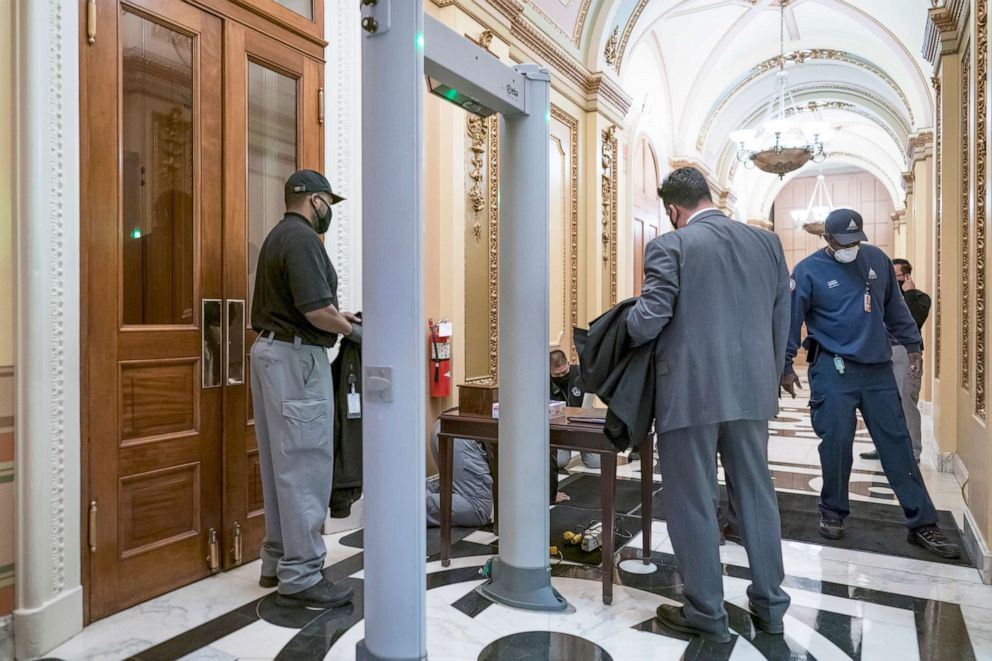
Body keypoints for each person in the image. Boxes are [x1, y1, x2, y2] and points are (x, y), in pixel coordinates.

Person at [627, 167, 791, 643]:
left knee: (693, 500)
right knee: (757, 494)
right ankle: (771, 608)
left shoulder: (671, 246)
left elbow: (649, 320)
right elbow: (783, 318)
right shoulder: (768, 244)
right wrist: (769, 378)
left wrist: (626, 321)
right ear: (709, 196)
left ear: (674, 210)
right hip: (752, 394)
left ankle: (706, 612)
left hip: (690, 393)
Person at [781, 209, 958, 559]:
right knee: (836, 443)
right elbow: (790, 320)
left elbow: (895, 309)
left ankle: (922, 522)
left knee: (897, 444)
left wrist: (913, 345)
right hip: (833, 368)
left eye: (855, 241)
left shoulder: (876, 259)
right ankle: (832, 511)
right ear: (827, 239)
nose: (850, 248)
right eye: (842, 242)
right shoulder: (808, 271)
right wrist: (785, 365)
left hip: (876, 369)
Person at [250, 169, 359, 609]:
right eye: (327, 203)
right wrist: (352, 331)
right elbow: (316, 311)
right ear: (314, 200)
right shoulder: (301, 241)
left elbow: (308, 307)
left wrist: (340, 319)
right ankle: (302, 574)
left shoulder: (279, 236)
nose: (329, 211)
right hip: (296, 359)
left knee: (281, 465)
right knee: (305, 464)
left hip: (272, 353)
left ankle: (277, 560)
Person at [861, 258, 931, 463]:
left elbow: (913, 320)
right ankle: (883, 447)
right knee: (882, 402)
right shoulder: (882, 296)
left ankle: (912, 451)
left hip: (905, 353)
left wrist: (908, 293)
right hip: (881, 353)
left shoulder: (919, 298)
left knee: (906, 401)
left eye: (896, 276)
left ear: (906, 277)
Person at [426, 420, 493, 528]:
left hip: (448, 425)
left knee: (451, 489)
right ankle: (410, 506)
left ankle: (411, 496)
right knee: (478, 509)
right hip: (462, 435)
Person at [549, 349, 601, 470]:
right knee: (559, 462)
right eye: (557, 375)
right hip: (560, 429)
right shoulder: (543, 381)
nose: (562, 376)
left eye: (564, 372)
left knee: (595, 462)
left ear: (568, 364)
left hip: (582, 424)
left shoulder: (580, 373)